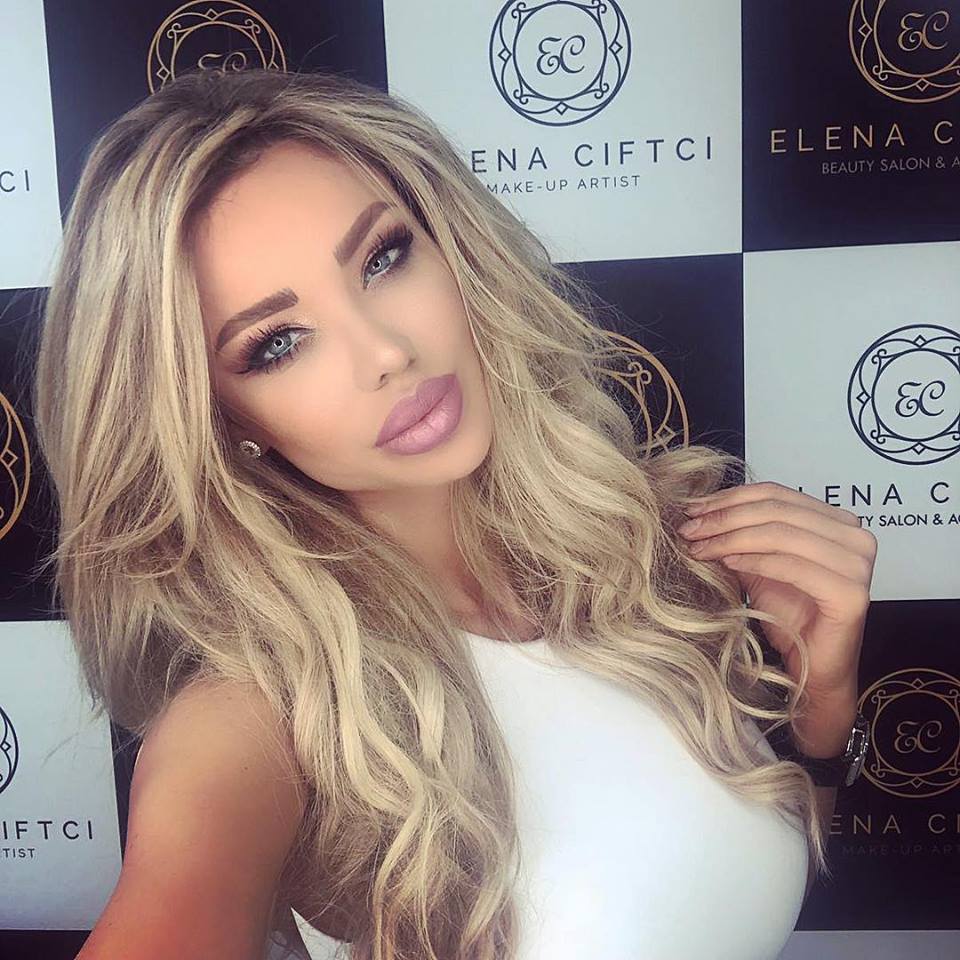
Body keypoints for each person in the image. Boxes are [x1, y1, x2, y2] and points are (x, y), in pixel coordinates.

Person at [30, 68, 871, 960]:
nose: (387, 352)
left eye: (382, 259)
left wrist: (820, 714)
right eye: (277, 344)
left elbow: (721, 891)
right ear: (216, 417)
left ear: (452, 248)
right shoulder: (255, 717)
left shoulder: (650, 545)